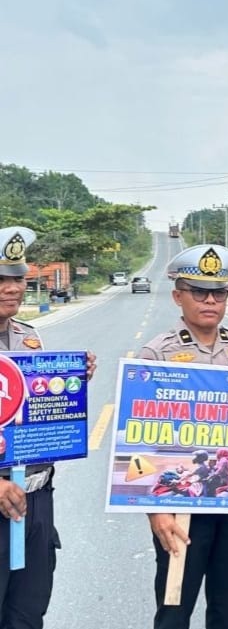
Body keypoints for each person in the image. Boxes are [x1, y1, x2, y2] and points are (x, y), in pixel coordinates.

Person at [139, 244, 228, 629]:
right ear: (178, 296)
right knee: (173, 610)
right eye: (199, 291)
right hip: (181, 507)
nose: (211, 300)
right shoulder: (156, 355)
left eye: (220, 292)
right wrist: (156, 512)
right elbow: (137, 442)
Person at [0, 226, 96, 628]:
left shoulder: (29, 339)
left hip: (36, 498)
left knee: (27, 611)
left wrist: (72, 379)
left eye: (17, 278)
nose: (12, 288)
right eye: (1, 279)